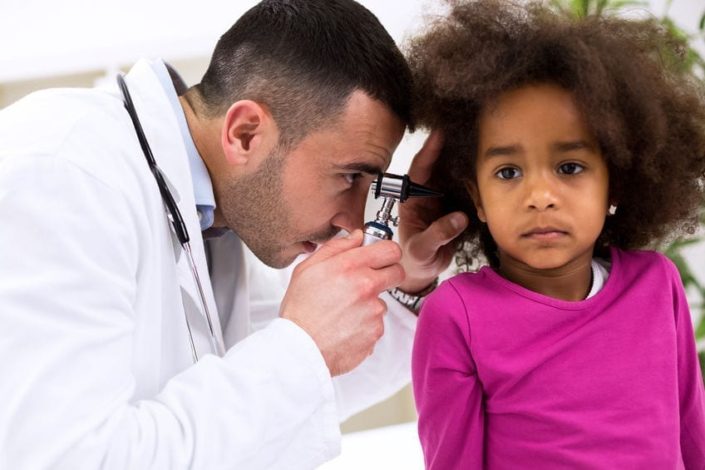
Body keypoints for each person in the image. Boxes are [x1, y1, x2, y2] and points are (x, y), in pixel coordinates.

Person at [0, 1, 468, 468]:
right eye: (349, 177)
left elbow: (287, 392)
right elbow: (66, 458)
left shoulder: (213, 216)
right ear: (245, 133)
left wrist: (403, 281)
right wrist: (302, 344)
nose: (352, 221)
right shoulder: (61, 175)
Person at [408, 0, 705, 467]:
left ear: (616, 184)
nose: (540, 196)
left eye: (569, 167)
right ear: (477, 198)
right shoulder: (458, 317)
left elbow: (692, 437)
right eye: (508, 172)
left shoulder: (657, 284)